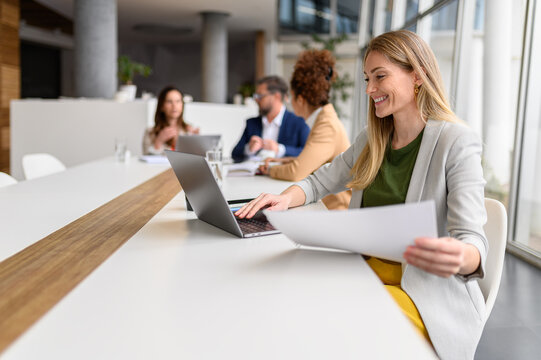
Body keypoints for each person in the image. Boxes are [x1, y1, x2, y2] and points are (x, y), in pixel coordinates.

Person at [236, 30, 487, 360]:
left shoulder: (456, 141)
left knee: (332, 331)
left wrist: (460, 255)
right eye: (368, 78)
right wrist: (285, 198)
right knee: (287, 301)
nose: (369, 89)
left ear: (417, 75)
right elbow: (318, 183)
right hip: (364, 274)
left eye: (380, 76)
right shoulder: (374, 138)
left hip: (421, 292)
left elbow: (473, 241)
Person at [258, 49, 351, 210]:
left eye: (292, 98)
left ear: (300, 99)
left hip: (334, 210)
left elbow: (297, 171)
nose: (290, 104)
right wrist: (279, 161)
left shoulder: (326, 124)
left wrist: (270, 169)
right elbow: (312, 161)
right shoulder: (323, 119)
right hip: (321, 205)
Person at [231, 76, 310, 162]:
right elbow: (235, 154)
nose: (256, 100)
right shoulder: (252, 123)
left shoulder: (298, 122)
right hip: (253, 173)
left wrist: (279, 149)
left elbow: (308, 153)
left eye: (260, 96)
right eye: (256, 96)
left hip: (281, 174)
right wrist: (249, 148)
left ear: (277, 97)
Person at [143, 86, 199, 155]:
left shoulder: (189, 130)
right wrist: (158, 142)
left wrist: (195, 140)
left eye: (178, 101)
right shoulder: (150, 132)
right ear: (162, 106)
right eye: (169, 101)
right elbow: (145, 158)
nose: (174, 106)